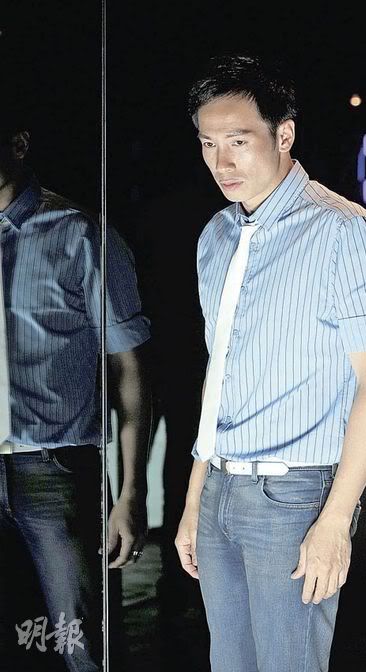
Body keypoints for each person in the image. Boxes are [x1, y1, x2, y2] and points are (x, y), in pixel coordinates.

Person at [175, 54, 366, 672]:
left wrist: (335, 520)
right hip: (220, 485)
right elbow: (220, 375)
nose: (221, 163)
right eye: (208, 144)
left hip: (295, 495)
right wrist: (196, 499)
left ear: (284, 134)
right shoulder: (216, 236)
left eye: (237, 141)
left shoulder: (341, 232)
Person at [0, 113, 152, 672]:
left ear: (19, 143)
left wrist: (130, 492)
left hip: (55, 470)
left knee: (82, 647)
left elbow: (130, 367)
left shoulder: (80, 233)